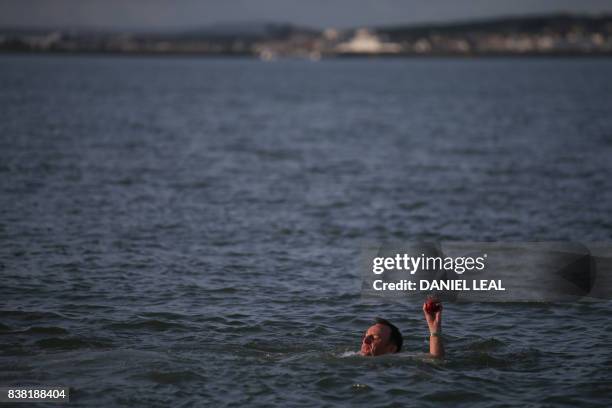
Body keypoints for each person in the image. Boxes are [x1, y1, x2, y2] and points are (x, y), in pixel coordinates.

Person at [359, 300, 444, 358]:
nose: (365, 341)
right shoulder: (349, 356)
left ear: (391, 349)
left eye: (374, 337)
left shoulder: (399, 360)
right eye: (366, 336)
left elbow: (435, 360)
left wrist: (434, 330)